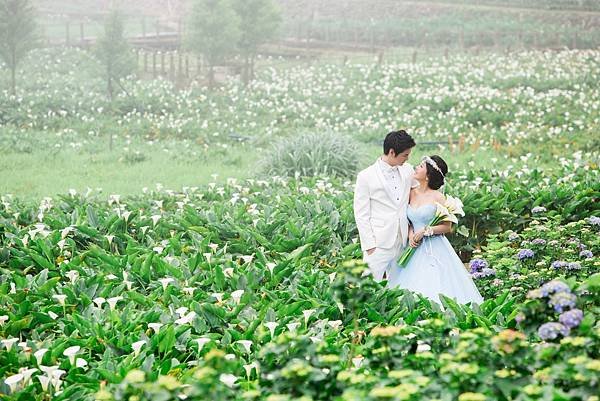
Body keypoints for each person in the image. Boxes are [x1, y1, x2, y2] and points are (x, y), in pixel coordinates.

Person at [387, 155, 484, 305]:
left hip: (434, 246)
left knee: (434, 280)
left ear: (428, 175)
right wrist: (412, 233)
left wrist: (426, 231)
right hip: (412, 245)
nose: (416, 167)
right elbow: (409, 219)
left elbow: (447, 227)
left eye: (420, 166)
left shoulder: (438, 197)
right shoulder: (411, 192)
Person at [353, 130, 416, 282]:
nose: (407, 159)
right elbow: (361, 214)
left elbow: (419, 192)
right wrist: (369, 245)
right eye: (405, 155)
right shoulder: (365, 176)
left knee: (399, 285)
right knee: (368, 285)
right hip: (378, 243)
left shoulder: (408, 170)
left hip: (402, 241)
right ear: (392, 152)